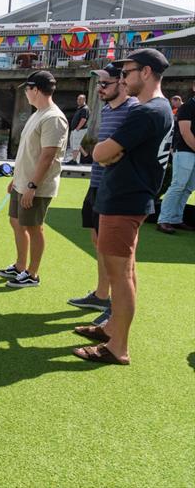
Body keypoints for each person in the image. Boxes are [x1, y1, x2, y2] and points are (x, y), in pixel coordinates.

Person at [72, 48, 174, 366]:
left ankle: (118, 347)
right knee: (126, 270)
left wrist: (108, 151)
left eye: (127, 72)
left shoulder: (147, 112)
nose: (123, 79)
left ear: (145, 73)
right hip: (130, 197)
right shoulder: (159, 109)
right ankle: (112, 329)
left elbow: (102, 152)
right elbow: (110, 152)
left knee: (120, 275)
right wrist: (111, 151)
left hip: (125, 200)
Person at [67, 64, 138, 326]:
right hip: (97, 184)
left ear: (122, 81)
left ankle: (115, 306)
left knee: (117, 253)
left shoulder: (133, 110)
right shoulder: (108, 109)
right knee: (98, 242)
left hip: (116, 190)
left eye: (105, 84)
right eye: (99, 84)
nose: (100, 89)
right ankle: (100, 294)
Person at [0, 71, 68, 288]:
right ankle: (19, 266)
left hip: (36, 186)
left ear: (35, 89)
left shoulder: (53, 117)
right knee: (16, 222)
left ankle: (32, 274)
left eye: (27, 89)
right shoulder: (38, 113)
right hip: (23, 181)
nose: (25, 93)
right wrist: (16, 179)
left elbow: (48, 156)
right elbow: (29, 151)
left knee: (34, 226)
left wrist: (32, 186)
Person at [157, 81, 195, 234]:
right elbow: (186, 133)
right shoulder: (187, 107)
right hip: (184, 151)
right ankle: (164, 219)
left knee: (188, 189)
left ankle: (176, 219)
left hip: (190, 151)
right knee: (178, 185)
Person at [65, 94, 89, 164]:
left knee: (75, 144)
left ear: (84, 100)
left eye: (80, 99)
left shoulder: (85, 109)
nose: (78, 101)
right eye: (78, 99)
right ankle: (86, 156)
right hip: (75, 130)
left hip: (80, 130)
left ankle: (74, 160)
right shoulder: (80, 108)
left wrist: (77, 128)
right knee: (75, 144)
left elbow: (83, 119)